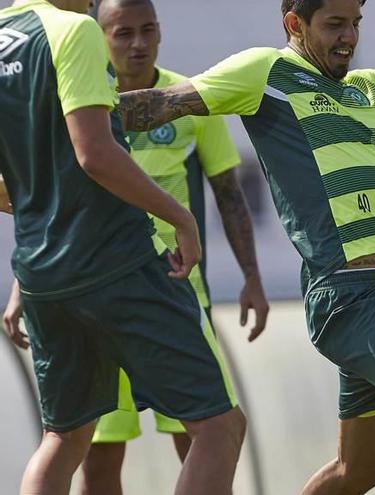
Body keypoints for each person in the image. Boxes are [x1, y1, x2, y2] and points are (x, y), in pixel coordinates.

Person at [115, 0, 375, 493]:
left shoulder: (369, 87)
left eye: (355, 24)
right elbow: (157, 105)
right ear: (294, 24)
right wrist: (60, 125)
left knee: (363, 468)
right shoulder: (266, 72)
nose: (349, 37)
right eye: (334, 24)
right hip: (354, 295)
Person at [0, 1, 245, 494]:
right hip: (116, 262)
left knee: (64, 439)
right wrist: (179, 216)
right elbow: (94, 153)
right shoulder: (74, 30)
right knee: (220, 427)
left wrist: (46, 217)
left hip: (41, 271)